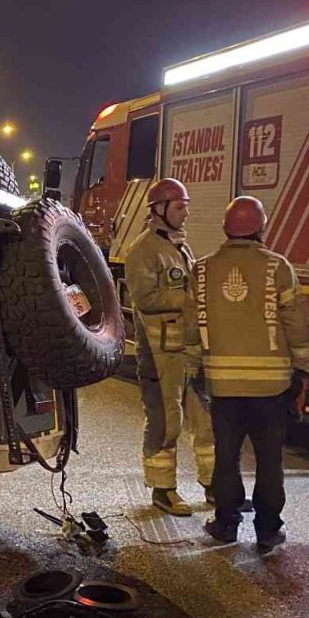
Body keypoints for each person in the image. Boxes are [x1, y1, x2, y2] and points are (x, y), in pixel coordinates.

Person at [183, 196, 309, 555]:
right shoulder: (278, 268)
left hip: (223, 387)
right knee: (269, 460)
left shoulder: (202, 270)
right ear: (261, 227)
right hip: (271, 388)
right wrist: (306, 370)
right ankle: (268, 531)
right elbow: (296, 324)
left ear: (226, 228)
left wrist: (193, 369)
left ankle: (226, 524)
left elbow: (191, 328)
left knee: (226, 457)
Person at [124, 178, 215, 516]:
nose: (186, 213)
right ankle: (163, 490)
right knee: (166, 421)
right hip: (159, 354)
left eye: (186, 206)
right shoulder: (142, 251)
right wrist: (189, 296)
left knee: (204, 421)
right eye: (180, 207)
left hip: (187, 351)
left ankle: (213, 486)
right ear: (159, 210)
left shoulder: (178, 247)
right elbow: (145, 298)